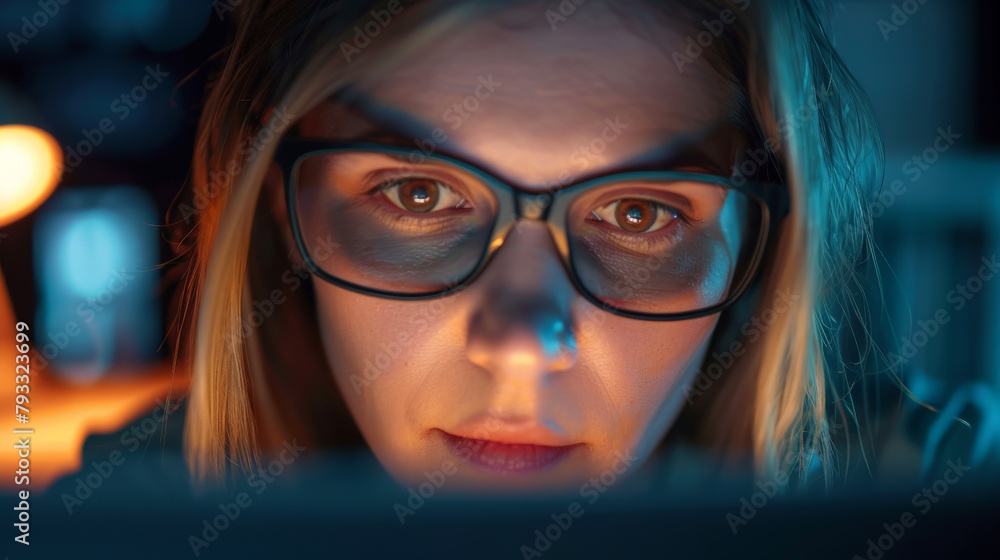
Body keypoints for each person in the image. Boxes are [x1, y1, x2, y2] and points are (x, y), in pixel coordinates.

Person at [170, 0, 884, 491]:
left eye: (638, 214)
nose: (521, 347)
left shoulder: (937, 510)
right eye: (418, 195)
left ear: (765, 239)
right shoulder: (106, 521)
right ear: (278, 196)